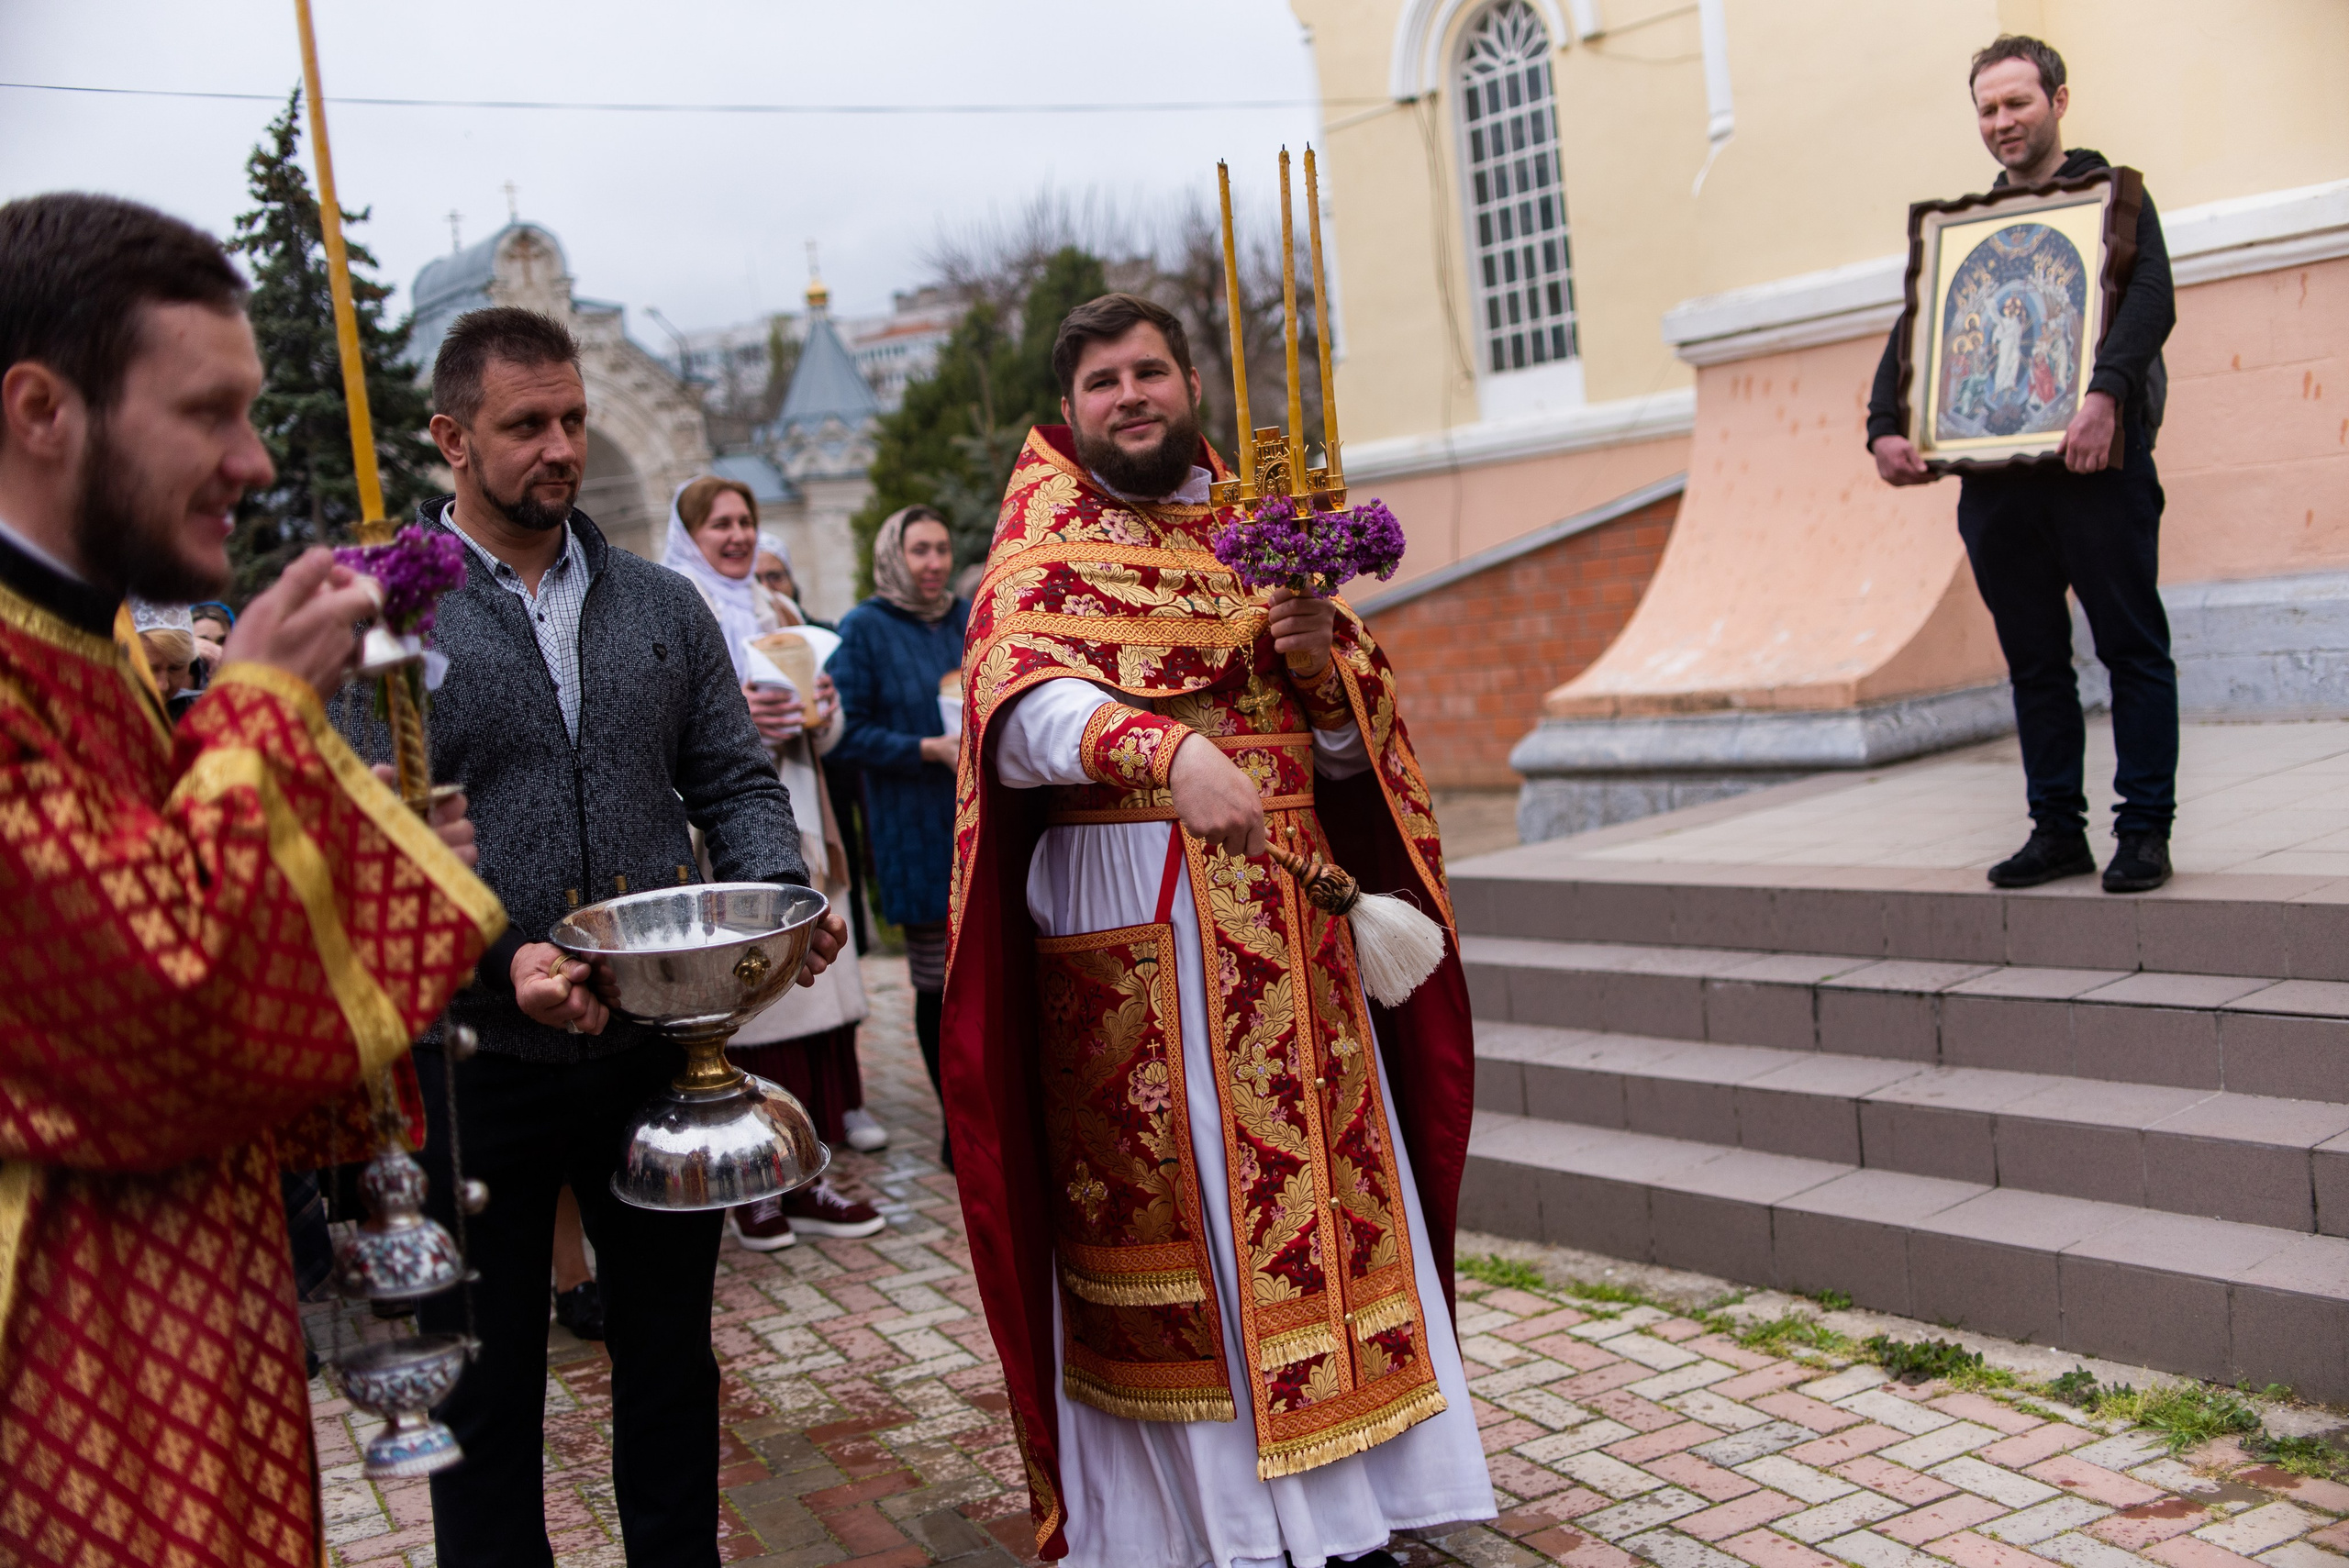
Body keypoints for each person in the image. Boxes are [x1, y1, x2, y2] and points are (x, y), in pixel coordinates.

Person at [941, 294, 1493, 1567]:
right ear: (1069, 412)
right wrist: (1162, 749)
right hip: (1142, 934)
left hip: (1297, 929)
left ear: (1191, 385)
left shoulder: (1258, 533)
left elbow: (1353, 761)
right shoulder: (1042, 542)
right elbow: (1013, 717)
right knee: (1194, 1225)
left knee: (1333, 1213)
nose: (1129, 396)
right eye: (1101, 383)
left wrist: (1321, 672)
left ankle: (1357, 1510)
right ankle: (1218, 1529)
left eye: (1149, 371)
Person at [0, 193, 495, 1568]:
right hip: (66, 1362)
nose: (255, 460)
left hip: (189, 1315)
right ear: (41, 409)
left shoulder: (83, 641)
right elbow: (148, 1009)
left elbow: (148, 878)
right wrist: (263, 707)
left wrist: (357, 858)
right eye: (207, 413)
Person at [335, 305, 848, 1568]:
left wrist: (777, 907)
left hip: (653, 1052)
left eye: (572, 418)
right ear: (452, 437)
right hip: (473, 1062)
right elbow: (359, 833)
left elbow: (731, 779)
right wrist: (496, 955)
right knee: (487, 1387)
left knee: (669, 1361)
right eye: (527, 424)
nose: (560, 446)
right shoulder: (388, 622)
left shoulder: (659, 604)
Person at [1868, 34, 2177, 893]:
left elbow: (2152, 301)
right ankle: (2057, 831)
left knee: (2131, 649)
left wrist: (2105, 396)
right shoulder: (1968, 231)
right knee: (2035, 662)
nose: (2002, 121)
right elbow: (1919, 324)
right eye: (1988, 109)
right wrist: (1884, 425)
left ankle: (2144, 831)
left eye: (2018, 103)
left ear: (2058, 103)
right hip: (1997, 485)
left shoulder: (2112, 199)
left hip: (2095, 471)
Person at [662, 473, 888, 1250]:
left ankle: (805, 1169)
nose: (736, 536)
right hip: (717, 832)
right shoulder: (673, 612)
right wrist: (737, 723)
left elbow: (829, 731)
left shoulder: (779, 611)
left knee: (807, 997)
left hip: (798, 816)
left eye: (745, 521)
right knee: (748, 1003)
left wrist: (821, 712)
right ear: (689, 535)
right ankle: (750, 1185)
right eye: (719, 524)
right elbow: (660, 736)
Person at [829, 506, 968, 1167]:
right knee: (937, 985)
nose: (933, 563)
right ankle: (956, 1126)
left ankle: (995, 1114)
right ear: (894, 555)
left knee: (987, 975)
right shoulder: (864, 628)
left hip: (976, 819)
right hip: (913, 826)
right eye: (920, 550)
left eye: (941, 548)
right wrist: (923, 749)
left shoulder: (967, 615)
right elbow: (844, 733)